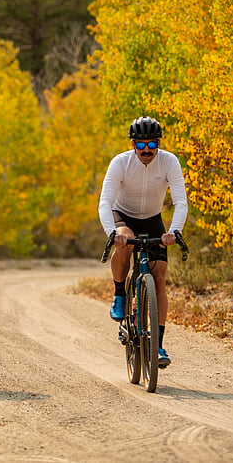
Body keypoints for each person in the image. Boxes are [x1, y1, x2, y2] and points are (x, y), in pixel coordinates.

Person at [98, 115, 188, 369]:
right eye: (140, 145)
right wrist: (112, 233)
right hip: (123, 215)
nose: (146, 150)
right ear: (132, 144)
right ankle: (119, 293)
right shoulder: (120, 163)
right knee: (124, 241)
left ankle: (157, 343)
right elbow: (105, 202)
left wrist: (174, 231)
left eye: (151, 144)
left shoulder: (169, 162)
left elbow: (180, 202)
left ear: (158, 144)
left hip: (153, 219)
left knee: (159, 277)